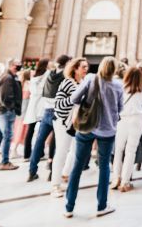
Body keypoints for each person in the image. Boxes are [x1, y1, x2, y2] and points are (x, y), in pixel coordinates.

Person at [64, 56, 124, 218]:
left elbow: (74, 98)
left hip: (86, 127)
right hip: (107, 130)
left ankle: (69, 207)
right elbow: (120, 108)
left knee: (77, 166)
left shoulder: (90, 79)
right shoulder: (118, 86)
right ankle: (101, 206)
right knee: (104, 167)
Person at [51, 57, 88, 197]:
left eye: (86, 66)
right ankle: (55, 184)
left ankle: (65, 174)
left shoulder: (83, 83)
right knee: (61, 151)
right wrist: (75, 98)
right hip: (62, 122)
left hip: (75, 123)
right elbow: (58, 104)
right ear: (75, 69)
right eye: (83, 67)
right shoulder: (67, 83)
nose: (86, 69)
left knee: (74, 150)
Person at [29, 55, 70, 182]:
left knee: (39, 141)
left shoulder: (50, 74)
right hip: (58, 111)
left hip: (46, 110)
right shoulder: (65, 76)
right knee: (57, 142)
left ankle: (32, 171)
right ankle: (52, 172)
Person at [111, 66, 142, 192]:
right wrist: (140, 113)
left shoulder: (121, 88)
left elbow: (115, 106)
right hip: (136, 121)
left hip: (122, 120)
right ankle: (125, 181)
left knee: (118, 150)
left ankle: (115, 178)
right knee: (130, 151)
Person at [0, 58, 22, 170]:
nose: (20, 65)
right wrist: (12, 107)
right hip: (5, 111)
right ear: (12, 65)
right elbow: (5, 96)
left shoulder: (10, 77)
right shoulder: (7, 77)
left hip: (5, 110)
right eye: (18, 64)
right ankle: (5, 162)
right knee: (7, 136)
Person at [22, 59, 48, 161]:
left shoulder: (34, 77)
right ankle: (38, 153)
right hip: (40, 105)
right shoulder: (45, 76)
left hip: (33, 105)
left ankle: (27, 154)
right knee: (41, 131)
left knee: (31, 130)